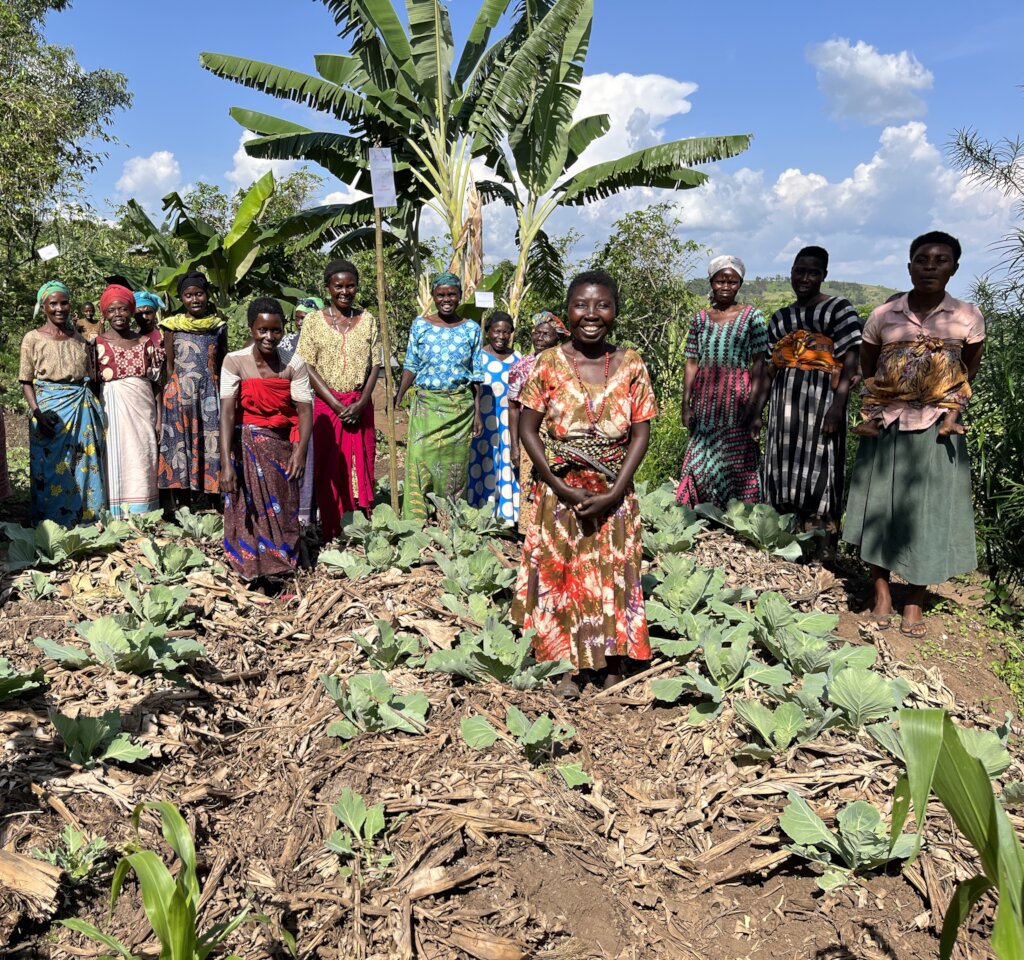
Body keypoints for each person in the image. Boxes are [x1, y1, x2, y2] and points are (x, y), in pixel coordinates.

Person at [512, 270, 657, 697]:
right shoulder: (549, 362)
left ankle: (612, 663)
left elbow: (641, 433)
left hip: (614, 490)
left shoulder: (630, 363)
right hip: (561, 491)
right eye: (581, 305)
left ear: (615, 310)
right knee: (560, 574)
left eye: (602, 305)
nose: (591, 315)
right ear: (567, 310)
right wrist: (561, 488)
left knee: (613, 574)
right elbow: (528, 429)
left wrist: (614, 493)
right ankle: (563, 666)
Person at [843, 231, 984, 637]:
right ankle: (883, 593)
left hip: (939, 426)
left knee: (930, 512)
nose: (930, 266)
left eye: (941, 260)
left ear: (954, 268)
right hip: (886, 422)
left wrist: (938, 397)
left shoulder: (967, 317)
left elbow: (968, 368)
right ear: (909, 266)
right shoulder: (884, 314)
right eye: (922, 259)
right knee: (878, 509)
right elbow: (869, 364)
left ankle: (915, 600)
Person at [756, 247, 862, 537]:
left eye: (813, 272)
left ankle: (821, 539)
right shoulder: (780, 318)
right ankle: (786, 536)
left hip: (822, 402)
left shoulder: (839, 309)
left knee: (820, 461)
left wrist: (838, 406)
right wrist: (758, 412)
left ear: (823, 275)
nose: (804, 278)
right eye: (798, 271)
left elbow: (851, 357)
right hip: (784, 404)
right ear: (790, 272)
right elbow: (770, 368)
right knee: (783, 461)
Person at [220, 298, 313, 588]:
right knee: (246, 509)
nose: (269, 337)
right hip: (244, 445)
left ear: (283, 331)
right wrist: (225, 463)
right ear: (251, 329)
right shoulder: (234, 361)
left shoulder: (293, 364)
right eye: (262, 330)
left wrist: (300, 452)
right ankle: (251, 567)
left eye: (276, 331)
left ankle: (282, 567)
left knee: (282, 507)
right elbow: (226, 412)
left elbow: (305, 411)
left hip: (280, 446)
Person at [296, 261, 381, 539]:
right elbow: (306, 365)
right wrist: (335, 403)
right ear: (328, 288)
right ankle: (332, 527)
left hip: (360, 404)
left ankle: (361, 526)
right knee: (329, 465)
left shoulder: (368, 320)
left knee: (364, 463)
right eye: (338, 286)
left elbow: (375, 365)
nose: (345, 291)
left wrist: (361, 402)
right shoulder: (312, 322)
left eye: (350, 285)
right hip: (326, 406)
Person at [676, 255, 768, 508]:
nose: (726, 287)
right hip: (705, 401)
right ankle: (700, 511)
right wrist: (686, 404)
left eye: (732, 282)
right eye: (720, 281)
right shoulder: (700, 319)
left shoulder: (752, 317)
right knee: (699, 457)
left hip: (739, 400)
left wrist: (755, 409)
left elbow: (760, 364)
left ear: (740, 284)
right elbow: (692, 362)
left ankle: (738, 515)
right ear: (711, 282)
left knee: (738, 460)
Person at [395, 272, 483, 521]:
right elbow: (411, 364)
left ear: (460, 296)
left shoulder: (472, 329)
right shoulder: (420, 325)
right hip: (427, 406)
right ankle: (416, 518)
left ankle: (448, 517)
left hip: (460, 409)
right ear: (433, 296)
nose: (446, 299)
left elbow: (476, 376)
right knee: (419, 458)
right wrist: (399, 396)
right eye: (441, 294)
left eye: (451, 294)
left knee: (453, 465)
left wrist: (477, 413)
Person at [19, 281, 106, 525]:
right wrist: (37, 412)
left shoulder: (78, 339)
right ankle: (51, 524)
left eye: (64, 302)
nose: (59, 308)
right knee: (50, 468)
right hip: (49, 411)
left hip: (81, 408)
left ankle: (86, 520)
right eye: (53, 303)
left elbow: (89, 375)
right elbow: (26, 380)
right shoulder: (32, 338)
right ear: (43, 306)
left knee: (84, 464)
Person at [158, 271, 228, 505]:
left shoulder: (218, 326)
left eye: (199, 294)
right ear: (182, 298)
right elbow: (169, 364)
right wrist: (174, 391)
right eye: (188, 295)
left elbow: (223, 362)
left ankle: (214, 502)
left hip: (210, 394)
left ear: (207, 295)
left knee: (212, 444)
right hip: (179, 395)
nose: (195, 299)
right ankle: (184, 504)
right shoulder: (171, 326)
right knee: (181, 445)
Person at [94, 285, 163, 518]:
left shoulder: (145, 342)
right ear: (104, 313)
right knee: (114, 457)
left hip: (143, 409)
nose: (118, 315)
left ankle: (144, 513)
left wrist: (160, 418)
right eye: (112, 310)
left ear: (131, 311)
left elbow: (156, 383)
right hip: (111, 410)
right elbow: (93, 383)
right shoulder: (97, 344)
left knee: (143, 456)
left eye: (123, 309)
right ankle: (115, 513)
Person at [508, 310, 570, 534]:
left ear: (558, 338)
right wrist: (515, 445)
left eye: (547, 334)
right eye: (537, 333)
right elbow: (513, 407)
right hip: (530, 429)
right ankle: (528, 532)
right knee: (528, 479)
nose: (540, 338)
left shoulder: (567, 366)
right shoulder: (521, 367)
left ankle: (556, 528)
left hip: (560, 431)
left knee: (558, 477)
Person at [468, 311, 521, 523]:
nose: (501, 336)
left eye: (506, 332)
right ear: (488, 332)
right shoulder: (479, 357)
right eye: (496, 331)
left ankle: (506, 514)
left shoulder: (518, 359)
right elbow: (473, 390)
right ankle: (479, 512)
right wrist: (476, 415)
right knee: (482, 462)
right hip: (483, 422)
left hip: (509, 423)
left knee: (505, 463)